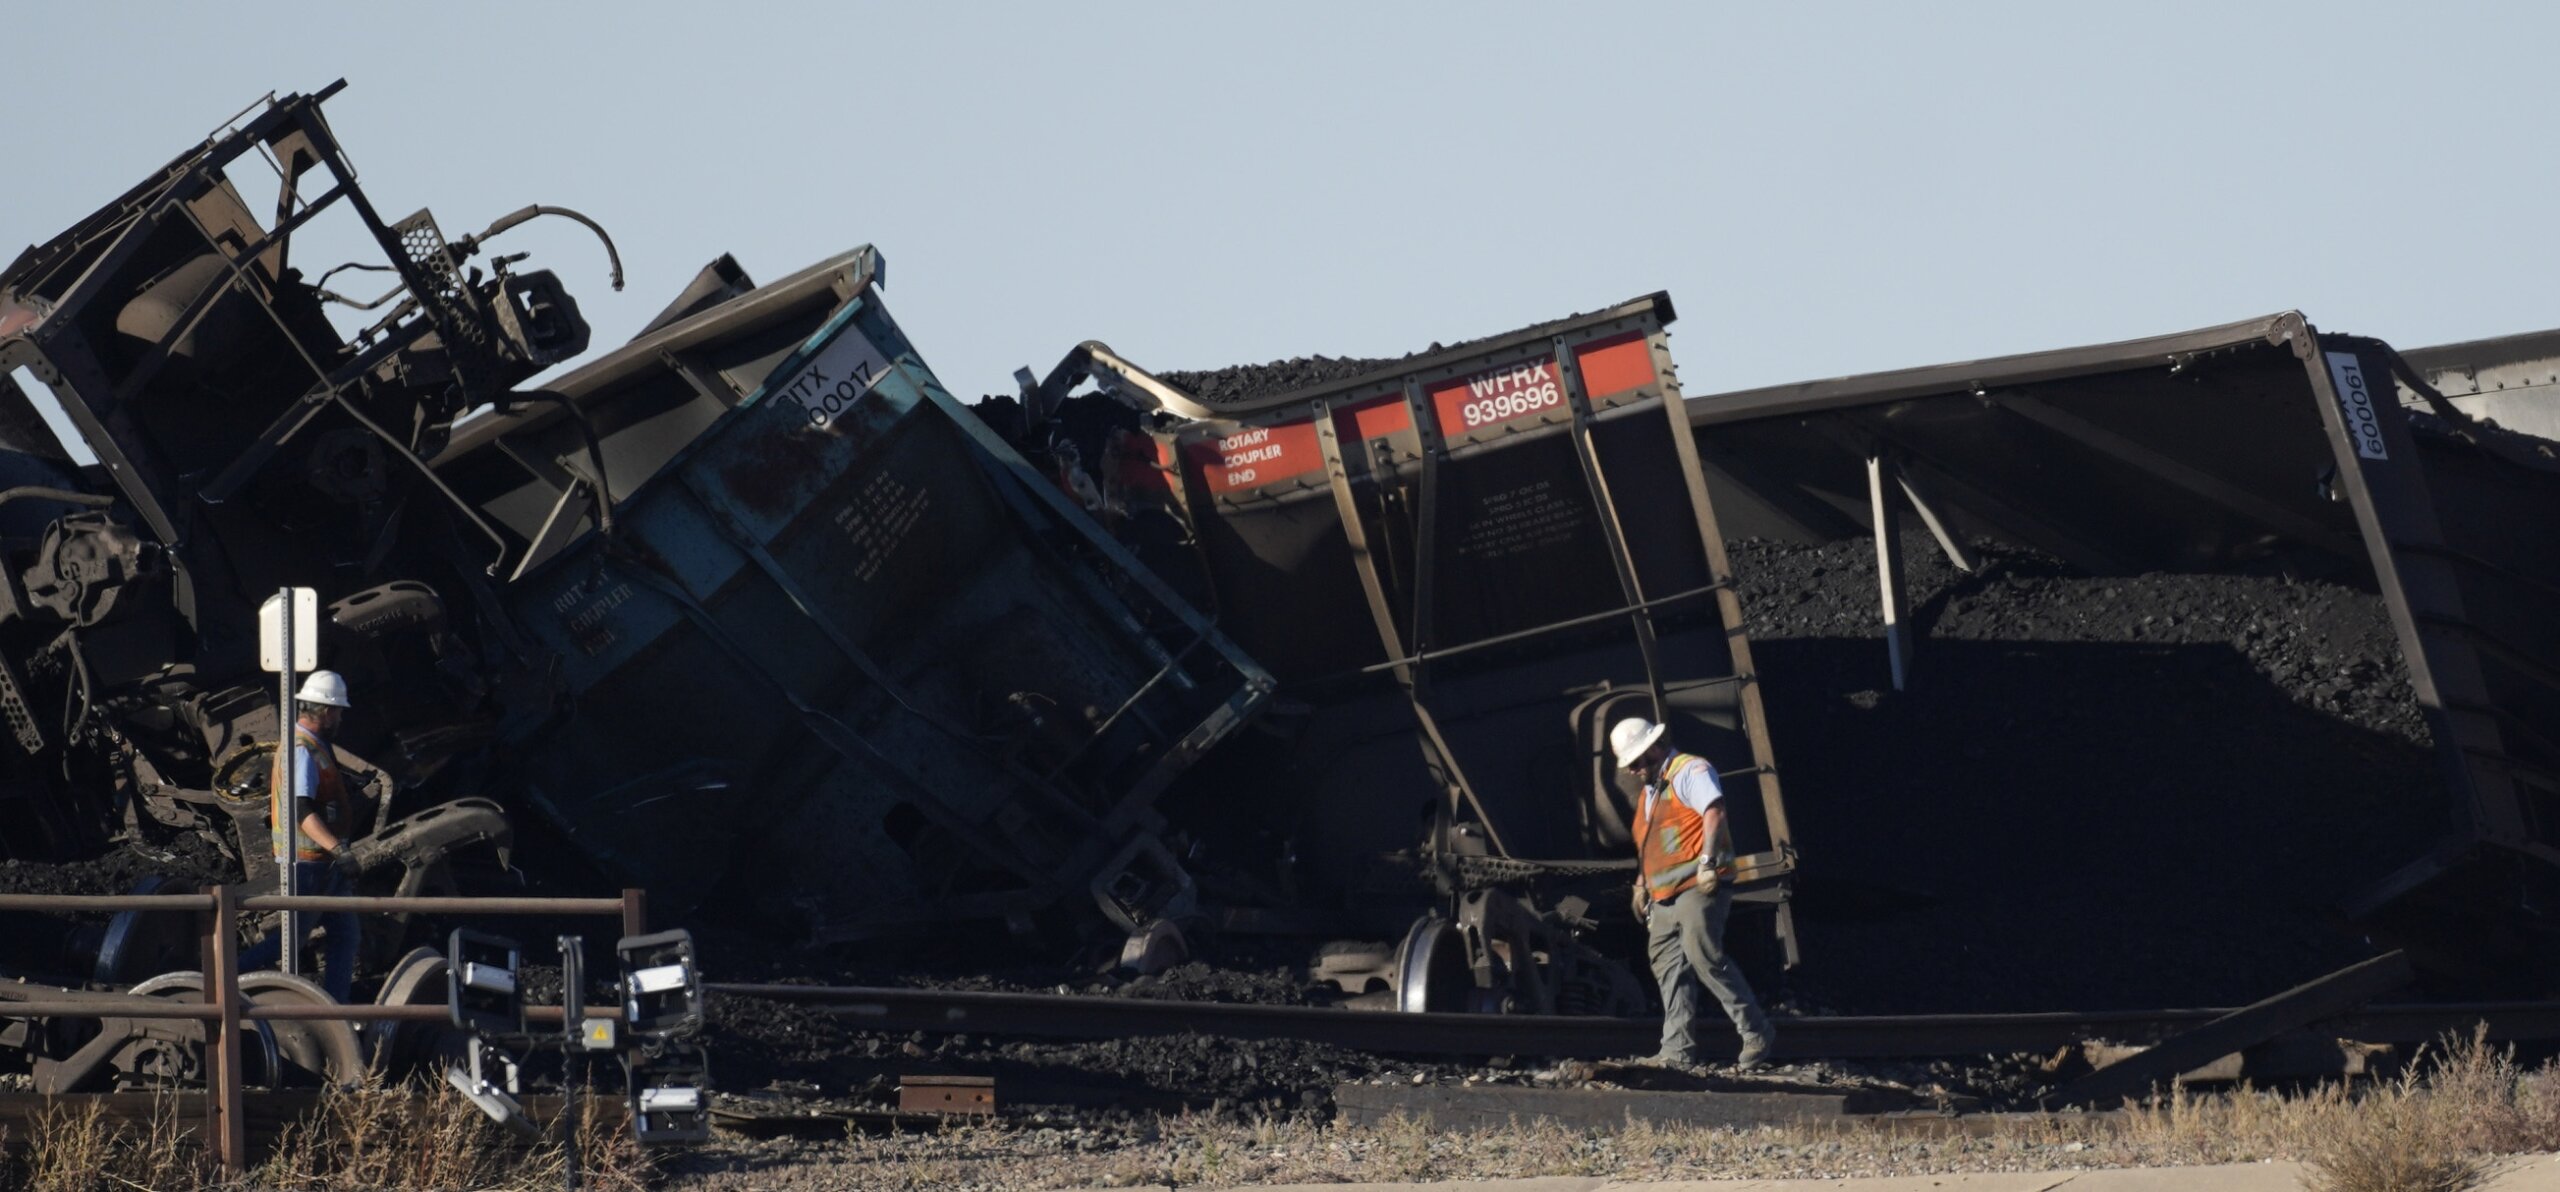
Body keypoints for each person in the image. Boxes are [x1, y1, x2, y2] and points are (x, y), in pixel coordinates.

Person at [1613, 715, 1775, 1070]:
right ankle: (1676, 1052)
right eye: (1632, 765)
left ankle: (1755, 1031)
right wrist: (1641, 885)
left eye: (1641, 761)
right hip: (1663, 895)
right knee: (1668, 966)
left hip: (1697, 885)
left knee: (1703, 956)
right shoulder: (1650, 795)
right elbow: (1650, 846)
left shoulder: (1690, 770)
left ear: (1656, 747)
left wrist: (1707, 862)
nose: (1638, 770)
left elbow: (1713, 811)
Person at [241, 670, 363, 1001]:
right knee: (289, 941)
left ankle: (335, 1010)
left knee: (345, 936)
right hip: (308, 864)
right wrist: (339, 849)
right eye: (337, 710)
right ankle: (224, 983)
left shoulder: (312, 746)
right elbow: (301, 810)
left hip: (323, 865)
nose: (340, 717)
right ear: (324, 711)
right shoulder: (301, 750)